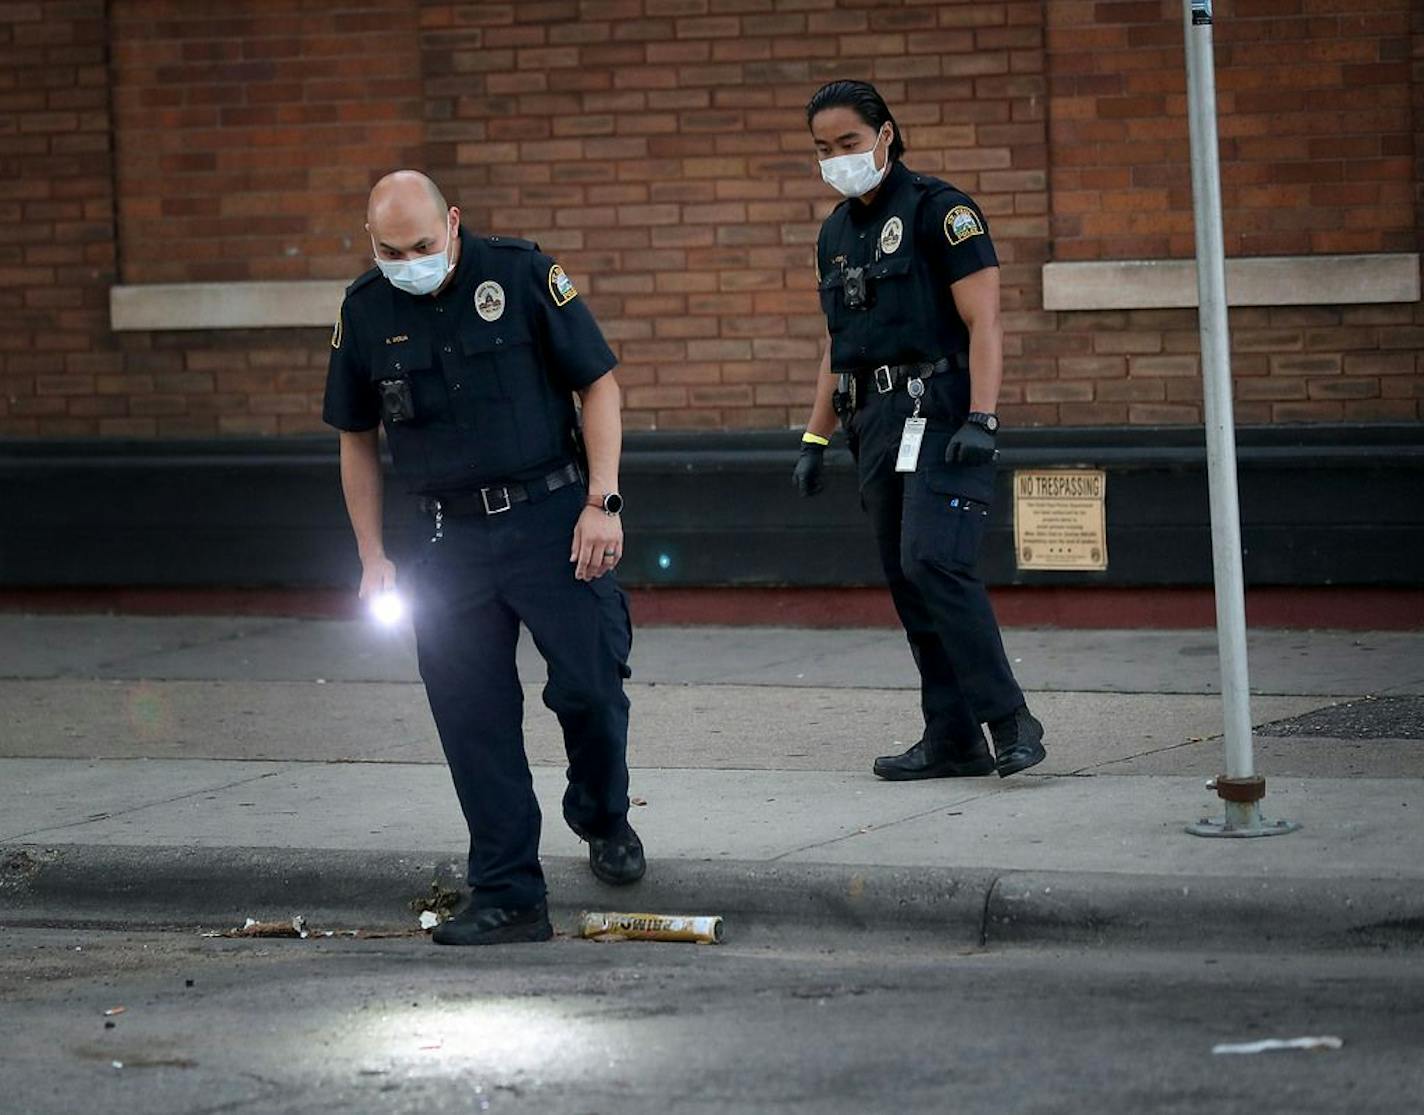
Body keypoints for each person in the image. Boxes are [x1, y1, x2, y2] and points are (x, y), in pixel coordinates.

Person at [323, 170, 644, 946]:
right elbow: (355, 439)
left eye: (425, 245)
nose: (411, 260)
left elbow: (598, 385)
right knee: (473, 719)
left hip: (552, 519)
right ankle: (507, 892)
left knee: (592, 686)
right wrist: (371, 556)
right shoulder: (365, 311)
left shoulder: (523, 274)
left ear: (455, 223)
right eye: (391, 249)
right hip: (444, 542)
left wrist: (604, 502)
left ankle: (601, 813)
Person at [793, 80, 1046, 782]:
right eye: (823, 149)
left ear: (885, 134)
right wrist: (815, 439)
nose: (837, 159)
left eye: (848, 143)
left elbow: (984, 320)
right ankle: (951, 737)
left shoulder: (942, 211)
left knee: (935, 559)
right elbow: (834, 344)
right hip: (872, 422)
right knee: (910, 579)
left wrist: (983, 417)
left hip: (941, 409)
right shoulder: (835, 234)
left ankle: (1009, 720)